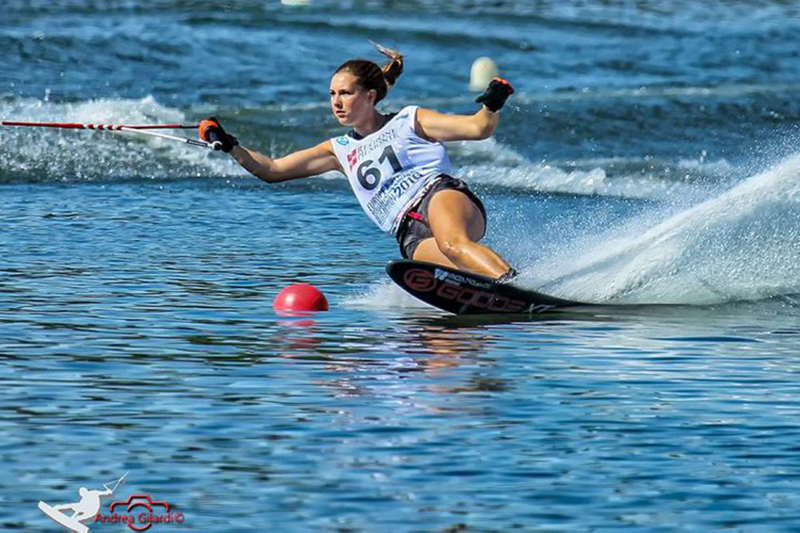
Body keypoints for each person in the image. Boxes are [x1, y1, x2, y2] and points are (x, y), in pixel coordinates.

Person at [199, 43, 516, 280]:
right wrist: (230, 145)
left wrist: (492, 105)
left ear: (370, 96)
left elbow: (478, 128)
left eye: (345, 93)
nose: (336, 102)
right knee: (457, 272)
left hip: (438, 197)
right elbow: (272, 170)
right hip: (409, 234)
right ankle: (496, 291)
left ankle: (514, 285)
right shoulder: (338, 149)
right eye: (332, 94)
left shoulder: (409, 121)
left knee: (453, 246)